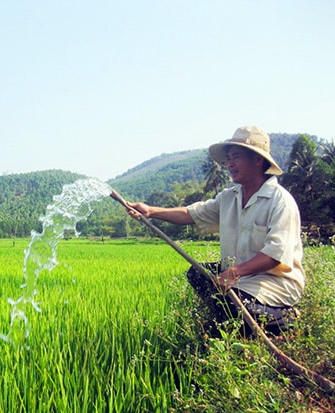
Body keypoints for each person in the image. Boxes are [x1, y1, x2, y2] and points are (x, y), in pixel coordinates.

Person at [127, 125, 305, 336]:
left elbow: (275, 255)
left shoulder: (280, 201)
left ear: (257, 160)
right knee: (198, 275)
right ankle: (229, 325)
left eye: (235, 157)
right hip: (241, 276)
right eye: (227, 158)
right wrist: (150, 211)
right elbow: (190, 214)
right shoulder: (229, 197)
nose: (229, 164)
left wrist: (234, 272)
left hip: (273, 281)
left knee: (232, 302)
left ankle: (284, 319)